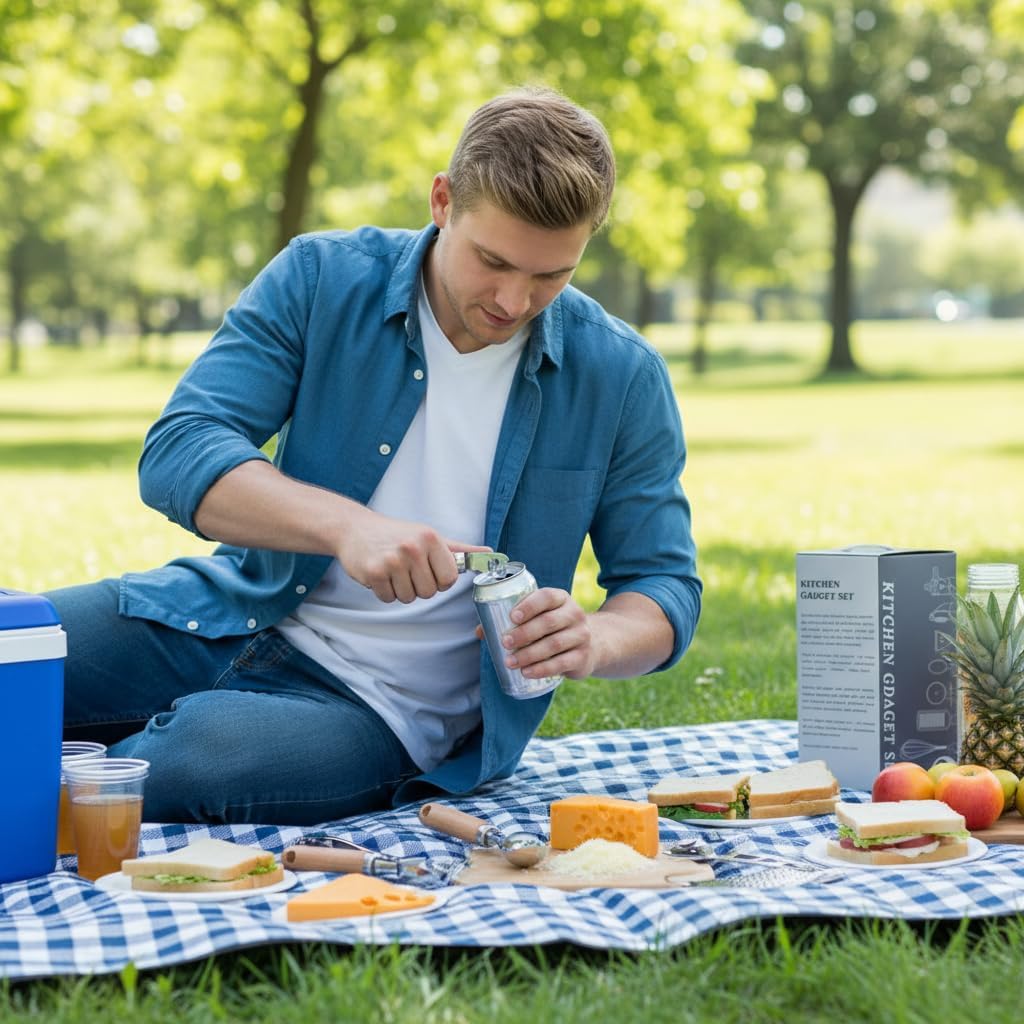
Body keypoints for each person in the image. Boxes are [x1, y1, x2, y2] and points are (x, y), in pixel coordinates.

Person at [49, 87, 701, 825]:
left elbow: (662, 585)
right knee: (20, 645)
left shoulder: (621, 374)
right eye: (492, 260)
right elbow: (181, 448)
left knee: (189, 761)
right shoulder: (321, 277)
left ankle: (56, 793)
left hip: (383, 708)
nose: (514, 301)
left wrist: (595, 639)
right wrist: (348, 528)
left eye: (551, 275)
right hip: (228, 613)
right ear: (443, 201)